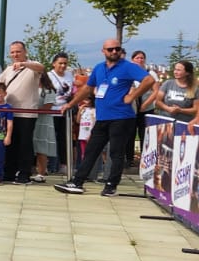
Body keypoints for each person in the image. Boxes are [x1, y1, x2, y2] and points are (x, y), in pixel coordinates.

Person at [56, 38, 155, 197]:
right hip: (103, 117)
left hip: (122, 117)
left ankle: (111, 184)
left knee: (116, 152)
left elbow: (149, 80)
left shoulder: (128, 67)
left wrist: (132, 96)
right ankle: (77, 181)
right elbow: (88, 88)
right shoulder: (99, 68)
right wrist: (71, 103)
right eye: (110, 49)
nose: (114, 52)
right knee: (91, 150)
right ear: (103, 51)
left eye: (117, 49)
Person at [0, 41, 45, 183]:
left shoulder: (32, 66)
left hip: (26, 112)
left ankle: (24, 174)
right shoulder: (8, 69)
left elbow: (41, 68)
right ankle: (8, 172)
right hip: (9, 112)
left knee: (25, 144)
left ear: (25, 51)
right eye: (13, 52)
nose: (15, 55)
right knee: (10, 143)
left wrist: (24, 64)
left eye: (18, 51)